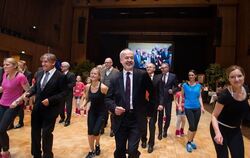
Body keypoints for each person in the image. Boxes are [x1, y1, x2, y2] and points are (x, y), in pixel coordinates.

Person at [105, 48, 154, 158]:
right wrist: (114, 108)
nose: (129, 60)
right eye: (126, 58)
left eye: (131, 58)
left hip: (136, 118)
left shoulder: (142, 75)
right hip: (120, 119)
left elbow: (153, 94)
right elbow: (108, 99)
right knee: (120, 150)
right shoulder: (115, 78)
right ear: (121, 60)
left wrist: (149, 112)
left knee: (132, 150)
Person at [25, 53, 67, 158]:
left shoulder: (60, 76)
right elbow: (35, 87)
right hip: (37, 109)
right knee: (34, 133)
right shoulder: (39, 73)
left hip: (51, 110)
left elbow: (63, 93)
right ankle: (36, 154)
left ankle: (47, 155)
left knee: (46, 134)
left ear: (53, 63)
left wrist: (50, 100)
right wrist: (29, 93)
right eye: (42, 61)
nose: (43, 64)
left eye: (46, 61)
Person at [210, 65, 250, 158]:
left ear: (244, 76)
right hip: (220, 128)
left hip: (235, 130)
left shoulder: (246, 89)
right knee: (223, 156)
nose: (236, 79)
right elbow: (214, 116)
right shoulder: (225, 95)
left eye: (239, 76)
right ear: (229, 79)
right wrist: (217, 133)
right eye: (232, 77)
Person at [0, 58, 30, 158]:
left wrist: (18, 100)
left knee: (2, 128)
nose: (4, 66)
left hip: (13, 106)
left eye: (7, 65)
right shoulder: (5, 74)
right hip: (2, 103)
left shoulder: (20, 77)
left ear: (14, 66)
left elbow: (28, 91)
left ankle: (5, 151)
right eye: (4, 64)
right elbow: (4, 88)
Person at [81, 67, 108, 158]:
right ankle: (91, 150)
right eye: (91, 73)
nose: (92, 75)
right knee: (90, 132)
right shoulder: (87, 86)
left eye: (95, 74)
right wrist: (83, 105)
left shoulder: (103, 87)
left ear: (99, 76)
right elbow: (87, 98)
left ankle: (97, 145)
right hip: (92, 111)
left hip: (101, 112)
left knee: (96, 131)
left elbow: (109, 100)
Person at [182, 69, 205, 153]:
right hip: (188, 107)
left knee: (195, 126)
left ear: (195, 76)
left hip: (197, 108)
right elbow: (182, 95)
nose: (190, 76)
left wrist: (202, 107)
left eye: (192, 75)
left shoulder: (199, 86)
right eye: (189, 75)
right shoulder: (184, 85)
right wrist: (181, 105)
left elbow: (200, 97)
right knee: (191, 126)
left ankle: (191, 141)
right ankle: (188, 142)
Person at [140, 63, 161, 153]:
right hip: (142, 106)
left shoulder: (159, 79)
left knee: (152, 125)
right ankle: (143, 140)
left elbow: (161, 93)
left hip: (153, 106)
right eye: (147, 67)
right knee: (143, 125)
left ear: (154, 68)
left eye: (150, 67)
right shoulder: (141, 77)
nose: (148, 68)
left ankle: (151, 144)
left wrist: (161, 104)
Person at [157, 63, 178, 139]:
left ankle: (165, 130)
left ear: (168, 68)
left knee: (168, 115)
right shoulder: (159, 76)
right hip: (160, 100)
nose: (163, 69)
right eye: (161, 68)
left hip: (168, 100)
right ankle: (160, 132)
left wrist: (172, 90)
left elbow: (177, 87)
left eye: (164, 68)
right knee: (160, 116)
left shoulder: (173, 76)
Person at [100, 57, 119, 136]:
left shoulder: (116, 72)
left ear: (112, 63)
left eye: (108, 62)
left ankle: (113, 129)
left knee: (112, 113)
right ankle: (102, 128)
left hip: (112, 95)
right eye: (105, 62)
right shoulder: (102, 71)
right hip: (103, 94)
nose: (106, 64)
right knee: (103, 112)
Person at [12, 60, 32, 129]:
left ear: (24, 65)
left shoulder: (28, 73)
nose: (19, 66)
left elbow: (28, 85)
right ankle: (11, 123)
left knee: (20, 109)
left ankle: (21, 122)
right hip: (14, 92)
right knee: (12, 109)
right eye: (18, 65)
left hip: (22, 93)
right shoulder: (15, 72)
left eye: (20, 65)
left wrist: (25, 95)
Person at [59, 61, 76, 127]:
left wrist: (65, 86)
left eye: (62, 66)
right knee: (61, 107)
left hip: (68, 93)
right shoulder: (60, 74)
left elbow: (73, 84)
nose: (61, 67)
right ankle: (62, 118)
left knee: (68, 107)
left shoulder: (71, 74)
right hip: (61, 93)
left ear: (66, 67)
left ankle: (68, 120)